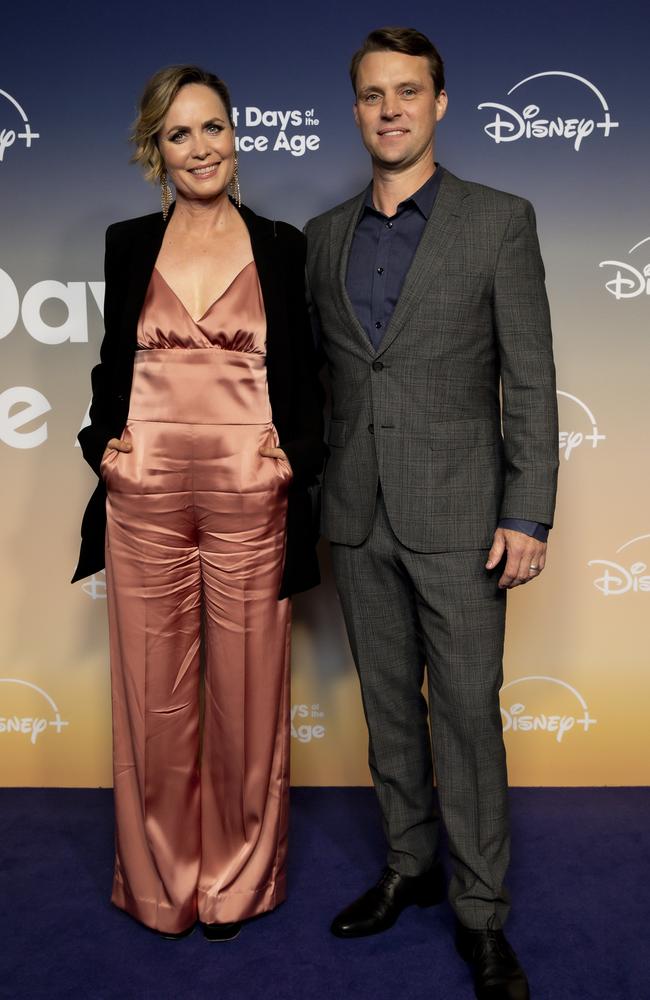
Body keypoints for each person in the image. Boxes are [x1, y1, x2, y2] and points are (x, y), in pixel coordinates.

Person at [305, 27, 558, 1000]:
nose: (389, 109)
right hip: (357, 513)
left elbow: (529, 379)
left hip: (462, 515)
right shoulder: (324, 237)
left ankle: (480, 912)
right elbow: (321, 379)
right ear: (355, 107)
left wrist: (527, 511)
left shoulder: (499, 219)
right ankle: (408, 868)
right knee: (385, 714)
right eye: (371, 94)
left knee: (462, 716)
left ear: (439, 103)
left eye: (407, 91)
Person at [72, 65, 324, 941]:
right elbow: (114, 360)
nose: (200, 147)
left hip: (250, 493)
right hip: (144, 495)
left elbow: (307, 373)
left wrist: (292, 456)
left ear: (235, 134)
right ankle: (160, 884)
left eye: (212, 127)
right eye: (179, 135)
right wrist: (101, 445)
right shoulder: (125, 240)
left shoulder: (282, 245)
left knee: (248, 696)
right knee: (154, 696)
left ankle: (238, 883)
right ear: (157, 151)